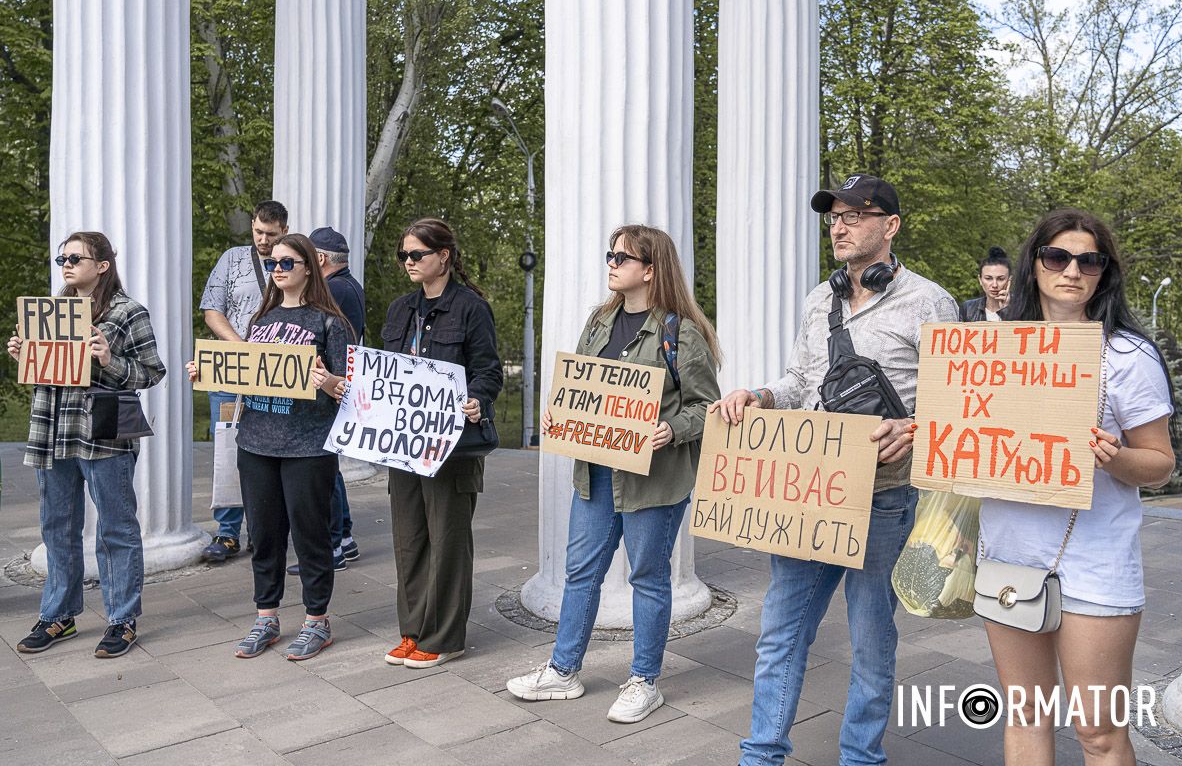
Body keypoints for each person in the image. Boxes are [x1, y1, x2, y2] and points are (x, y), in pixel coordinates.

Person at [711, 174, 960, 765]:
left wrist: (917, 425)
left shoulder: (932, 302)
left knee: (871, 642)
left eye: (857, 214)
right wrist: (758, 396)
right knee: (780, 634)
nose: (840, 226)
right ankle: (762, 754)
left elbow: (957, 400)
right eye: (834, 216)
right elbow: (800, 382)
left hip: (885, 497)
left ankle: (861, 758)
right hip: (810, 495)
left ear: (890, 226)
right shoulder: (817, 301)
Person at [978, 209, 1175, 765]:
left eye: (1089, 260)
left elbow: (1159, 462)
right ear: (1033, 264)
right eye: (1057, 257)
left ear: (1103, 273)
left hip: (1092, 560)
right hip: (1010, 556)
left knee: (1099, 733)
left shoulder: (1126, 356)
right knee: (1025, 718)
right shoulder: (992, 350)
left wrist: (1114, 459)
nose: (1072, 270)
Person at [504, 224, 721, 723]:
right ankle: (563, 672)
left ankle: (644, 680)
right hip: (597, 473)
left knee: (647, 576)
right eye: (610, 255)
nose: (611, 263)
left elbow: (706, 407)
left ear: (650, 269)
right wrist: (560, 414)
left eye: (621, 257)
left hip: (654, 480)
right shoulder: (600, 322)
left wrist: (672, 429)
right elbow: (580, 386)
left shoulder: (680, 334)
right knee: (581, 572)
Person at [188, 233, 353, 661]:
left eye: (287, 263)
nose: (277, 270)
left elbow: (352, 392)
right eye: (273, 264)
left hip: (308, 447)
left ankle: (317, 620)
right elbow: (248, 378)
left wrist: (329, 382)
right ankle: (266, 617)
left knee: (310, 535)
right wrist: (208, 372)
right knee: (263, 536)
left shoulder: (330, 323)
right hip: (256, 442)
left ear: (307, 268)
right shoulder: (261, 320)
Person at [9, 232, 165, 658]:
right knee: (57, 525)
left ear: (102, 265)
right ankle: (59, 614)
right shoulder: (48, 311)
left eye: (76, 257)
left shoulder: (129, 312)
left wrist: (108, 359)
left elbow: (152, 373)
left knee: (116, 527)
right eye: (62, 256)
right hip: (53, 429)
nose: (66, 263)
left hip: (103, 433)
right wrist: (22, 351)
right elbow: (44, 367)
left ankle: (122, 620)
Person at [379, 218, 502, 669]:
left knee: (447, 539)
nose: (408, 262)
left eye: (417, 255)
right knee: (409, 538)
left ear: (444, 256)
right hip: (402, 441)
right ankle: (412, 631)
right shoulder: (399, 310)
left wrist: (477, 400)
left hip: (452, 445)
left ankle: (445, 636)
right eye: (404, 255)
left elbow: (488, 370)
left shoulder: (471, 309)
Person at [197, 200, 289, 562]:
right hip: (234, 366)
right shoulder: (232, 259)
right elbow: (211, 309)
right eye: (258, 232)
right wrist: (240, 347)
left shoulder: (293, 260)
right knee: (227, 443)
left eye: (271, 234)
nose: (263, 240)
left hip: (278, 370)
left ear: (284, 229)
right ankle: (227, 531)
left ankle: (265, 527)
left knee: (272, 444)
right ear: (252, 225)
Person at [284, 227, 365, 576]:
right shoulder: (352, 287)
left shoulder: (331, 290)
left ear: (317, 260)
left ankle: (331, 545)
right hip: (337, 384)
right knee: (329, 468)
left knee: (321, 472)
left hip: (324, 387)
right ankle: (343, 537)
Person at [960, 246, 1011, 321]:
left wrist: (1006, 311)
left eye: (1000, 279)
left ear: (1009, 280)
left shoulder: (1022, 309)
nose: (994, 285)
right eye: (988, 278)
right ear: (980, 279)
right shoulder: (967, 309)